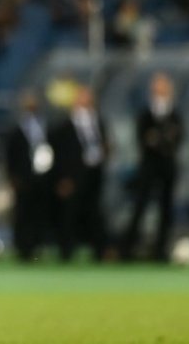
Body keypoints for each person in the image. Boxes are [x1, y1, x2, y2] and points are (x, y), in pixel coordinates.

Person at [120, 73, 183, 261]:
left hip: (168, 167)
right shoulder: (146, 114)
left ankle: (161, 250)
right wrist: (160, 140)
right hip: (148, 167)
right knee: (140, 206)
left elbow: (176, 139)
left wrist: (158, 140)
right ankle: (127, 249)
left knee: (166, 209)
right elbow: (145, 140)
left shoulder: (174, 114)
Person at [50, 84, 109, 262]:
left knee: (94, 213)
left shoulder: (98, 122)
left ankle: (98, 251)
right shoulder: (63, 126)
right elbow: (59, 154)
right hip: (72, 177)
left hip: (94, 174)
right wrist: (61, 178)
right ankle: (66, 252)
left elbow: (104, 145)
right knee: (69, 215)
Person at [5, 91, 52, 262]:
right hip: (22, 180)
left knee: (39, 213)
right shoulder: (16, 129)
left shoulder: (45, 127)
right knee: (22, 214)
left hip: (41, 177)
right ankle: (22, 249)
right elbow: (10, 155)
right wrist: (12, 177)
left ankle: (38, 247)